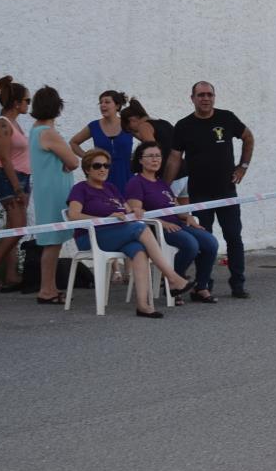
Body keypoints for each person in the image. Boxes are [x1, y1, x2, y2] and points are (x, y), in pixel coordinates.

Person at [67, 148, 194, 318]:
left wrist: (136, 210)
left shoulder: (111, 188)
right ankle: (172, 277)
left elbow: (128, 210)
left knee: (139, 250)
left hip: (117, 235)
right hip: (91, 237)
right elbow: (73, 215)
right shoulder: (81, 188)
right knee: (139, 228)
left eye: (106, 165)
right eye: (97, 166)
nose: (103, 169)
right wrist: (104, 218)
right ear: (87, 169)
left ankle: (143, 305)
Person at [166, 81, 254, 299]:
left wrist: (243, 167)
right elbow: (175, 158)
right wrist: (165, 187)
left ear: (214, 97)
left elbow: (248, 137)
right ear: (192, 98)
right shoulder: (184, 125)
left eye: (209, 94)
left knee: (233, 237)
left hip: (226, 192)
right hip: (199, 193)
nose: (205, 98)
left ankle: (238, 284)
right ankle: (204, 284)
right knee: (205, 241)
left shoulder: (227, 118)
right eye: (201, 95)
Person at [125, 141, 218, 305]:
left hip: (176, 224)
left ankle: (201, 287)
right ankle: (174, 284)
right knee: (190, 245)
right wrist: (162, 222)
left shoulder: (161, 182)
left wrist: (187, 217)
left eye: (158, 156)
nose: (155, 159)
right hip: (155, 229)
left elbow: (175, 206)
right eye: (150, 156)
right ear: (140, 160)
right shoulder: (136, 182)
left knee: (210, 243)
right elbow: (137, 213)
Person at [28, 86, 80, 304]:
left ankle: (50, 286)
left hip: (45, 188)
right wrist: (67, 163)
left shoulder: (35, 130)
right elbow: (73, 161)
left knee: (52, 240)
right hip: (54, 191)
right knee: (52, 241)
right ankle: (46, 289)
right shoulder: (48, 133)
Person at [0, 75, 31, 291]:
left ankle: (11, 273)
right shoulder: (2, 123)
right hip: (8, 178)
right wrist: (17, 187)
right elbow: (4, 158)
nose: (28, 104)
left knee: (13, 227)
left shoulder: (15, 124)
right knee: (19, 227)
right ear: (16, 103)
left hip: (22, 177)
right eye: (27, 100)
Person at [70, 90, 134, 193]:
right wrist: (88, 158)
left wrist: (138, 158)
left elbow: (147, 141)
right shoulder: (94, 126)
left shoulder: (127, 124)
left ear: (117, 106)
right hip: (101, 174)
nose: (103, 105)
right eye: (101, 102)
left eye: (107, 102)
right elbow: (73, 142)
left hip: (125, 174)